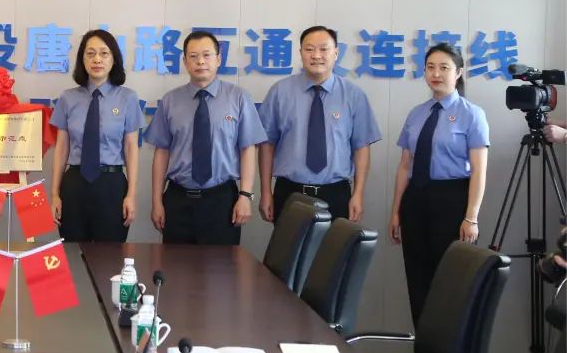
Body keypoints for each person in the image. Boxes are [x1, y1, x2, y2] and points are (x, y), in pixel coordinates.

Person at [389, 43, 489, 323]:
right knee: (417, 278)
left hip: (452, 200)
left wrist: (471, 217)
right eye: (430, 67)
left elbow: (479, 171)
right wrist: (396, 211)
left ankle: (448, 350)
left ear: (458, 73)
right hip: (415, 200)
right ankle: (423, 347)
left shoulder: (472, 114)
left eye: (444, 67)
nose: (436, 74)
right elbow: (405, 166)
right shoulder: (416, 113)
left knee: (450, 280)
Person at [145, 31, 266, 245]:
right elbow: (162, 152)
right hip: (178, 199)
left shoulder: (238, 97)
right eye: (193, 56)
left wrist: (245, 196)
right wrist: (156, 201)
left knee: (222, 265)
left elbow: (247, 149)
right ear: (185, 62)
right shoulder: (171, 100)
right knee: (176, 263)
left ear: (218, 59)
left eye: (207, 55)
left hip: (222, 201)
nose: (200, 61)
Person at [257, 25, 381, 222]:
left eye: (324, 49)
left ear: (336, 53)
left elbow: (361, 148)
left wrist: (358, 194)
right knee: (289, 243)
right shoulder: (280, 92)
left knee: (334, 243)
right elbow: (267, 145)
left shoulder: (353, 95)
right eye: (309, 49)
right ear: (300, 53)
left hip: (336, 193)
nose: (316, 55)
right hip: (290, 192)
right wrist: (265, 192)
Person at [50, 29, 142, 242]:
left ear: (114, 59)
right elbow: (61, 148)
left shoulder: (127, 98)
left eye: (104, 53)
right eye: (90, 54)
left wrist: (131, 194)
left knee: (109, 255)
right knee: (73, 251)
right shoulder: (68, 98)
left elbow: (131, 148)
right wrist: (54, 194)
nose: (97, 59)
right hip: (74, 184)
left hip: (111, 185)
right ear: (82, 59)